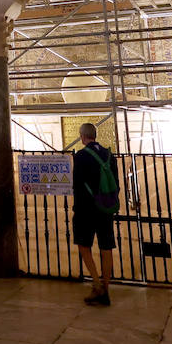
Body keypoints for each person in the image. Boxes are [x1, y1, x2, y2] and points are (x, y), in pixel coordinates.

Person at [73, 122, 121, 306]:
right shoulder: (109, 155)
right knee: (106, 247)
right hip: (105, 208)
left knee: (84, 245)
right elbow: (116, 183)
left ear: (82, 136)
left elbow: (77, 184)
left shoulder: (81, 156)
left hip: (86, 209)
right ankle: (106, 288)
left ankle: (96, 284)